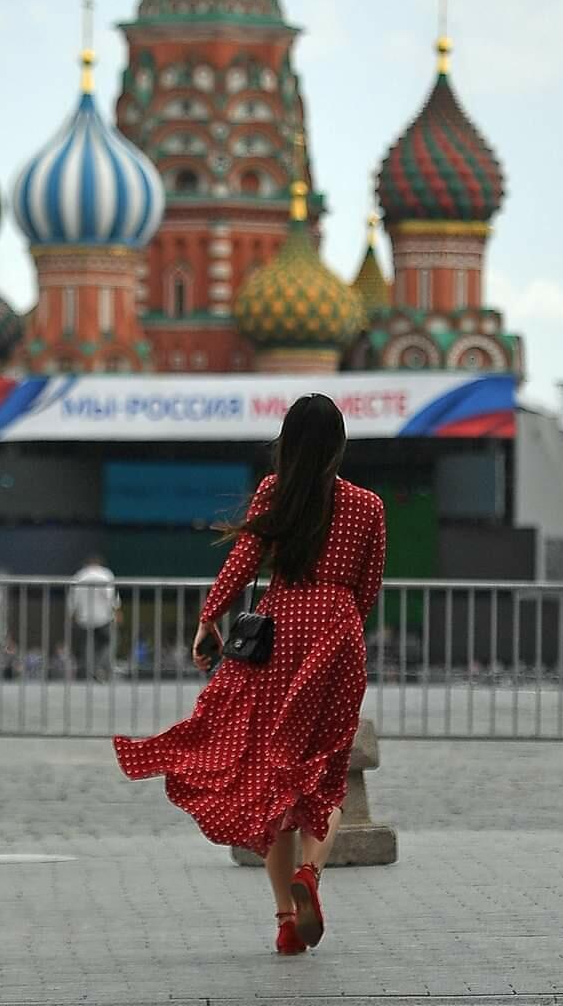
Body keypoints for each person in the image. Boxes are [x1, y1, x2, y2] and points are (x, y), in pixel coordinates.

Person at [113, 395, 385, 956]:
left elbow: (240, 563)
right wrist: (339, 630)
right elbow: (368, 590)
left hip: (282, 632)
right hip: (338, 635)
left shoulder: (273, 493)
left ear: (287, 443)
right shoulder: (368, 506)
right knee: (326, 776)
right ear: (338, 445)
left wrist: (209, 616)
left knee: (270, 773)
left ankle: (287, 918)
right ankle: (311, 872)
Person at [68, 555, 120, 681]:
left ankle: (88, 673)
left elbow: (72, 599)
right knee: (110, 641)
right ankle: (100, 667)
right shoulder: (106, 574)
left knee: (87, 646)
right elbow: (110, 596)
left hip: (84, 618)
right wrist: (116, 610)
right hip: (103, 617)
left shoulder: (78, 576)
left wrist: (71, 614)